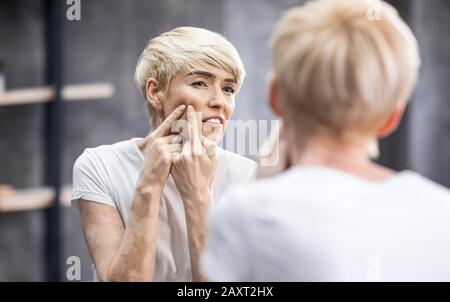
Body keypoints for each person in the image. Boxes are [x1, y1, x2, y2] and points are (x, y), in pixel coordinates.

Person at [201, 0, 450, 281]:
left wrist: (263, 195)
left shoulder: (243, 215)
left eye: (228, 88)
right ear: (392, 117)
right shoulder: (443, 213)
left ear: (275, 96)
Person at [71, 27, 257, 281]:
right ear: (154, 92)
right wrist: (148, 186)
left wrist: (197, 195)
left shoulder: (247, 177)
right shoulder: (99, 166)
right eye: (200, 83)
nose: (220, 102)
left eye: (228, 89)